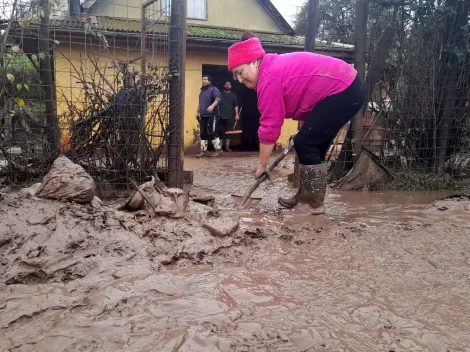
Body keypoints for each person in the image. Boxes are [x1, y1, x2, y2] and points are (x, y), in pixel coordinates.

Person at [227, 32, 365, 214]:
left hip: (344, 89)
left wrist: (262, 164)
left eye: (240, 72)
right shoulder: (270, 69)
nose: (240, 79)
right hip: (347, 87)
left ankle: (312, 204)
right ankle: (306, 197)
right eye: (236, 75)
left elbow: (270, 128)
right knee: (313, 145)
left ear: (254, 61)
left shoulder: (269, 78)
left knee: (306, 143)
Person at [197, 74, 222, 157]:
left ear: (209, 81)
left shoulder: (213, 89)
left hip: (213, 115)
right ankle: (204, 151)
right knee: (203, 133)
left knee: (212, 131)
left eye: (205, 79)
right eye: (202, 79)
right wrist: (197, 111)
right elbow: (200, 102)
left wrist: (212, 106)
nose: (203, 80)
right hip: (203, 115)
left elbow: (218, 98)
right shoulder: (202, 91)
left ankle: (218, 150)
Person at [218, 81, 240, 151]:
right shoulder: (219, 94)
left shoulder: (233, 95)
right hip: (220, 116)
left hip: (229, 116)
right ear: (224, 85)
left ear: (231, 86)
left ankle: (227, 147)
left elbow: (236, 105)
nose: (227, 85)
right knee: (220, 131)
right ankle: (220, 147)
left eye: (229, 84)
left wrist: (237, 115)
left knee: (229, 132)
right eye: (226, 84)